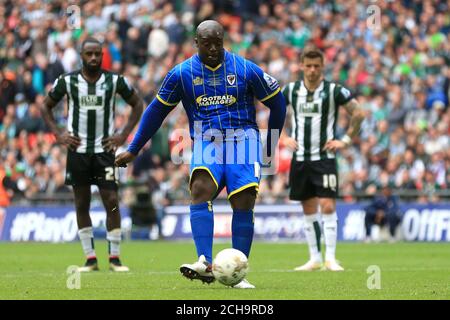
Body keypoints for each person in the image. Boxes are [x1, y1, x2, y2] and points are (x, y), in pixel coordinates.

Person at [115, 20, 286, 288]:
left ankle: (238, 271)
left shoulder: (245, 69)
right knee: (200, 188)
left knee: (243, 200)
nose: (214, 48)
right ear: (196, 43)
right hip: (207, 140)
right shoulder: (181, 74)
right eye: (207, 43)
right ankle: (205, 262)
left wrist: (269, 146)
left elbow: (278, 102)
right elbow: (156, 112)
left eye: (218, 42)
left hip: (243, 138)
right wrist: (134, 148)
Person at [42, 37, 144, 272]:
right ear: (81, 56)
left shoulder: (114, 81)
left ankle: (115, 258)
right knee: (81, 203)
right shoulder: (67, 81)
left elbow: (137, 104)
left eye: (98, 54)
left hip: (104, 152)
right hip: (77, 151)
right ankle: (90, 258)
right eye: (89, 54)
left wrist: (123, 135)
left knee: (112, 202)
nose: (94, 58)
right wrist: (59, 134)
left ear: (102, 55)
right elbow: (45, 105)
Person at [282, 46, 365, 271]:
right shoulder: (290, 90)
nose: (311, 70)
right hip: (300, 158)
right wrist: (282, 136)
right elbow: (273, 111)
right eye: (308, 66)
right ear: (301, 66)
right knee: (308, 208)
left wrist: (345, 140)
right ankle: (314, 258)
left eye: (316, 66)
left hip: (325, 157)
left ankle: (331, 258)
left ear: (322, 67)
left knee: (327, 205)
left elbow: (358, 113)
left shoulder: (334, 90)